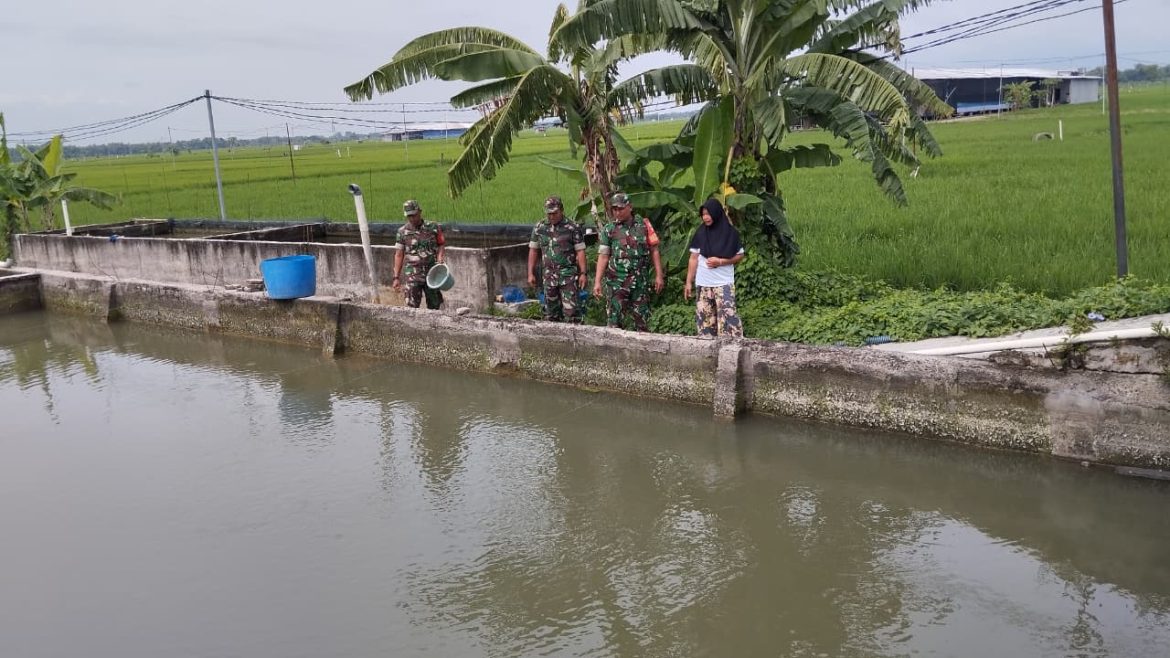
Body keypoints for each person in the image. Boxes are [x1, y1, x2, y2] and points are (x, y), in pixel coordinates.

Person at [592, 192, 664, 331]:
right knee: (614, 322)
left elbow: (654, 250)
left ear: (630, 207)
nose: (617, 212)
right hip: (617, 282)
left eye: (620, 208)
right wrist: (597, 282)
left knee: (642, 321)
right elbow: (603, 256)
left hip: (640, 282)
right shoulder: (609, 230)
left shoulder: (644, 225)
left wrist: (659, 275)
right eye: (614, 209)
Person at [684, 198, 745, 337]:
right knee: (705, 325)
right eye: (703, 214)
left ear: (716, 213)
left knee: (729, 323)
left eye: (708, 214)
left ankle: (732, 350)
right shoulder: (700, 233)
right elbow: (693, 258)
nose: (705, 217)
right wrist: (688, 282)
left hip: (723, 284)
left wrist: (720, 262)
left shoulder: (730, 233)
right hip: (703, 284)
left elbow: (740, 255)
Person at [528, 195, 588, 323]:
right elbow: (533, 250)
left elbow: (580, 251)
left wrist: (583, 273)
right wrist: (530, 273)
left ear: (561, 210)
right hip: (549, 277)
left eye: (554, 213)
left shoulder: (572, 228)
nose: (551, 216)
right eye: (549, 213)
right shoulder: (540, 227)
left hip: (568, 276)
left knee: (572, 313)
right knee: (551, 314)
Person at [393, 199, 446, 310]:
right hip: (413, 275)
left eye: (414, 215)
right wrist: (396, 277)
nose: (412, 218)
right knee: (411, 308)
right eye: (409, 216)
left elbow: (441, 243)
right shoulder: (402, 232)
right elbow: (399, 255)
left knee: (435, 307)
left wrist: (440, 256)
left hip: (432, 273)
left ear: (420, 212)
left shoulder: (433, 227)